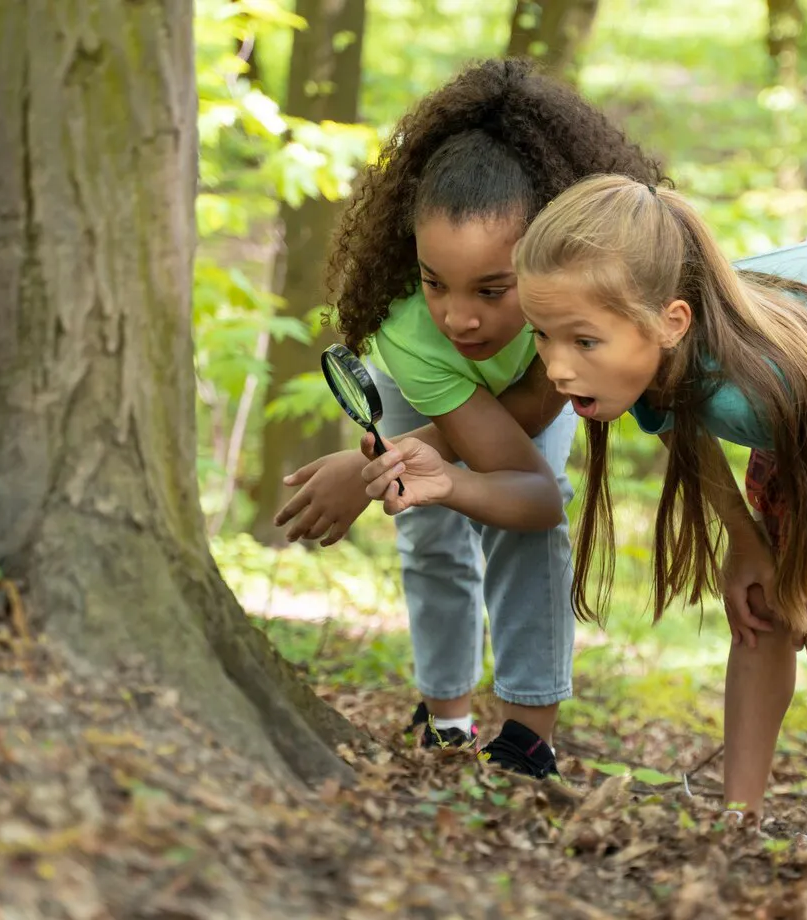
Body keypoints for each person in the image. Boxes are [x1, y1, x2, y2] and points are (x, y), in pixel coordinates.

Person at [373, 174, 807, 870]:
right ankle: (739, 816)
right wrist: (744, 540)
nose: (554, 367)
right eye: (543, 337)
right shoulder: (662, 359)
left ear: (670, 322)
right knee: (768, 600)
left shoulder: (762, 381)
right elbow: (686, 428)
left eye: (583, 341)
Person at [272, 61, 666, 779]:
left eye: (492, 288)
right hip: (428, 393)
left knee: (528, 526)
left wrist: (364, 472)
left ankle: (527, 732)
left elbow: (515, 444)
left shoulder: (569, 310)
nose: (459, 315)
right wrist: (389, 473)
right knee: (428, 533)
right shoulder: (411, 331)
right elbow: (465, 442)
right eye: (434, 281)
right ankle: (445, 714)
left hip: (529, 385)